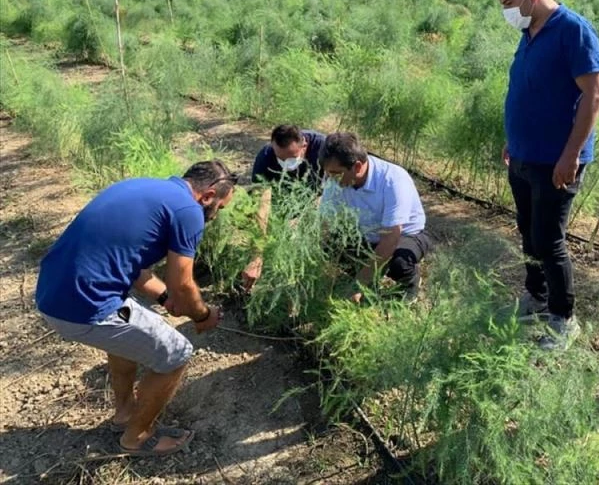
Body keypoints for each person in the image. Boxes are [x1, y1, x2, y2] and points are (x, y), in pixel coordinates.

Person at [35, 160, 237, 457]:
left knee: (128, 334)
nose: (215, 215)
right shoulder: (188, 210)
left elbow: (137, 269)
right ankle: (138, 438)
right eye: (219, 207)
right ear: (207, 195)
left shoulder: (142, 187)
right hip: (84, 304)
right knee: (177, 353)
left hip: (52, 293)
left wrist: (164, 298)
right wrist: (203, 315)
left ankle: (125, 413)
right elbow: (183, 284)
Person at [491, 0, 599, 349]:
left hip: (556, 160)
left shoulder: (573, 30)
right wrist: (514, 137)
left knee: (548, 239)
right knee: (528, 232)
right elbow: (529, 90)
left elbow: (594, 94)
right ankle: (536, 296)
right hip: (523, 155)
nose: (505, 10)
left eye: (508, 2)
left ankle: (563, 317)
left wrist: (570, 155)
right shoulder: (530, 32)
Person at [319, 132, 432, 303]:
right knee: (329, 245)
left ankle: (410, 284)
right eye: (328, 173)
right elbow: (324, 225)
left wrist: (358, 285)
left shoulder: (393, 179)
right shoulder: (335, 180)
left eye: (336, 173)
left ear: (357, 167)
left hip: (404, 236)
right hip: (366, 234)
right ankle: (367, 274)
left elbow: (390, 238)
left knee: (399, 262)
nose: (331, 179)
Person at [242, 124, 327, 288]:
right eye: (280, 158)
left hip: (317, 200)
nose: (285, 163)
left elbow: (335, 190)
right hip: (283, 202)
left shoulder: (323, 148)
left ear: (304, 145)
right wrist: (256, 255)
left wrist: (304, 217)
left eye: (291, 157)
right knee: (279, 238)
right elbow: (262, 205)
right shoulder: (266, 156)